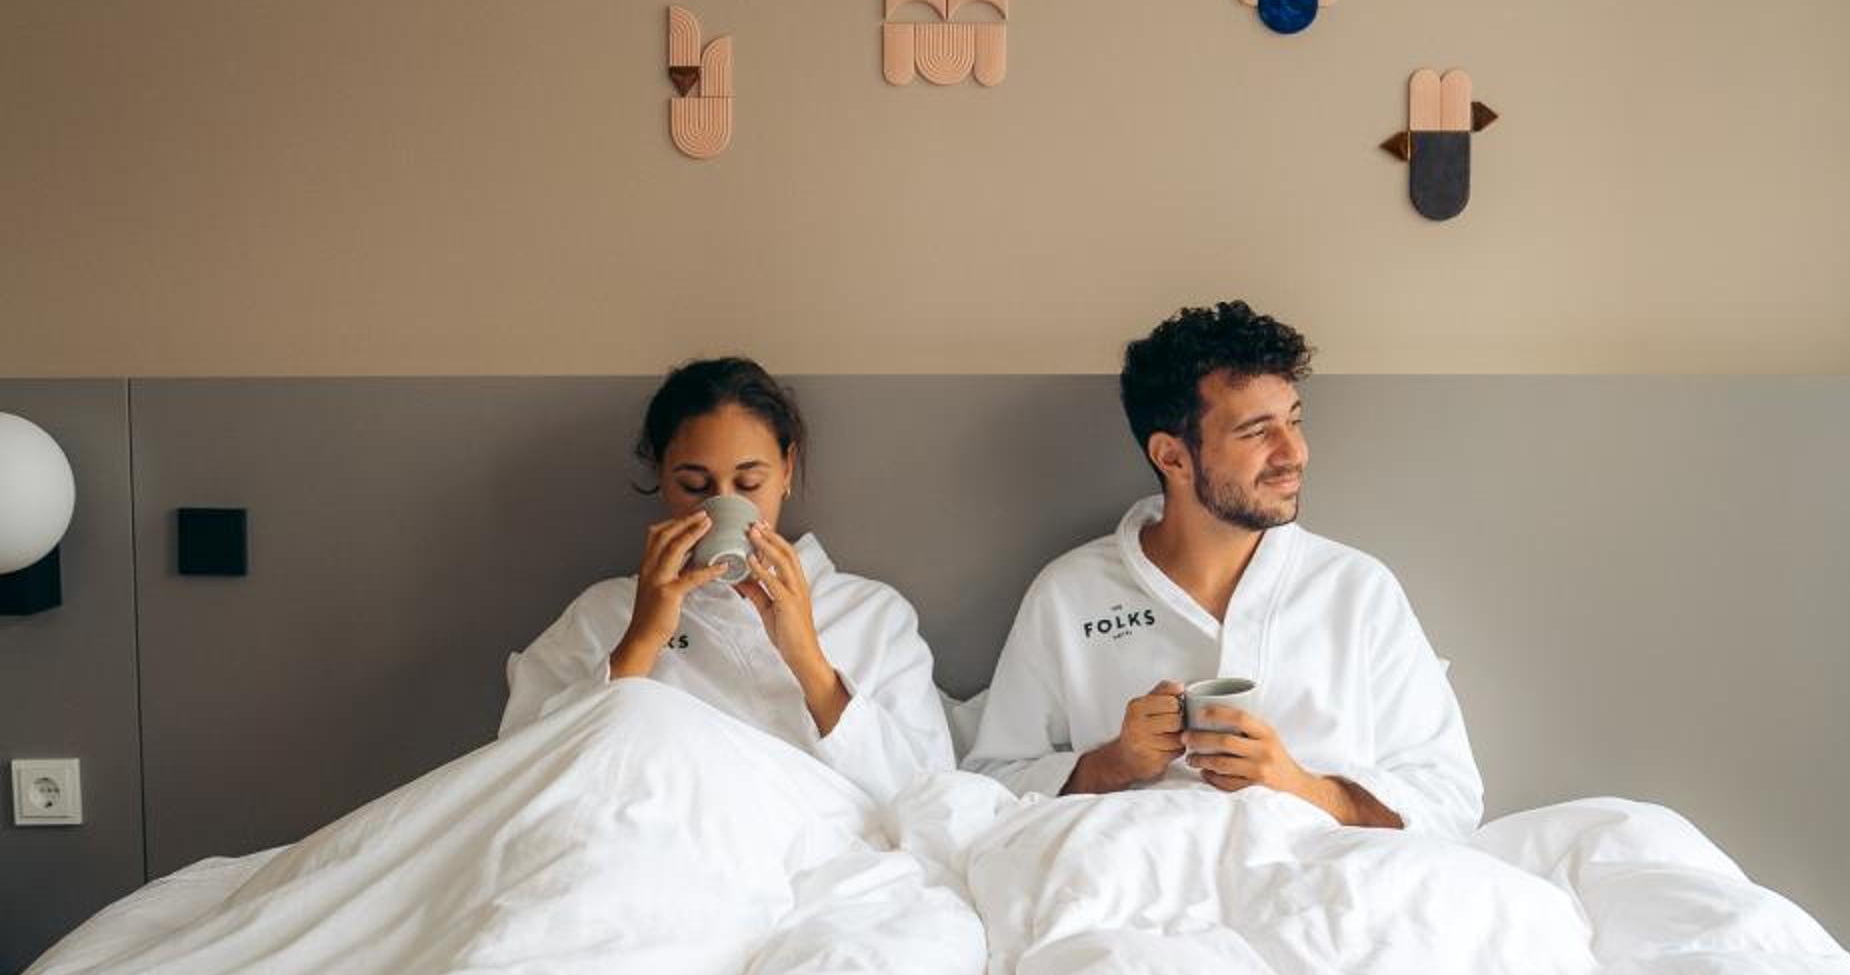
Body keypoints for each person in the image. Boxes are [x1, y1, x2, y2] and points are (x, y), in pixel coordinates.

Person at [966, 301, 1482, 833]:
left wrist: (1300, 785)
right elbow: (987, 786)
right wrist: (1114, 762)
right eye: (1257, 432)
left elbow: (1450, 797)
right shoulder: (1069, 594)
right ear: (1172, 457)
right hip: (1135, 865)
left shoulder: (1357, 590)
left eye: (1294, 421)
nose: (1293, 453)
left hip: (1317, 867)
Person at [503, 356, 954, 802]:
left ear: (786, 470)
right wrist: (639, 643)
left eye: (749, 483)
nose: (721, 505)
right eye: (695, 487)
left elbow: (935, 799)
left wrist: (809, 663)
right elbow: (518, 780)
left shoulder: (873, 614)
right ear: (662, 476)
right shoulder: (603, 613)